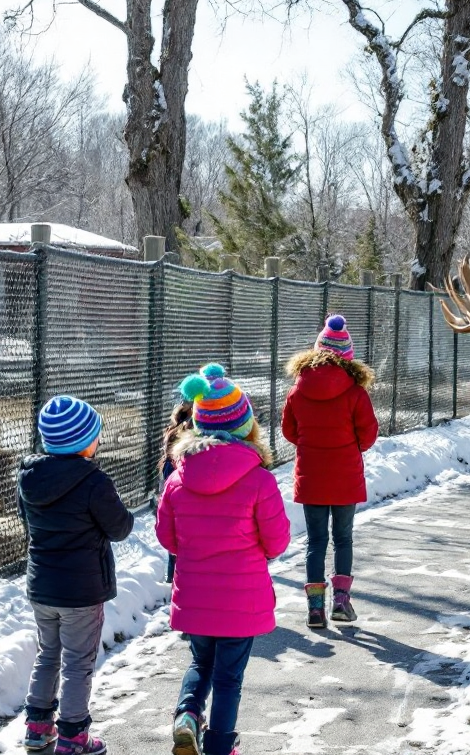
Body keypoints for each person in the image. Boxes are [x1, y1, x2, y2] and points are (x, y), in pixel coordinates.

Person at [157, 364, 291, 755]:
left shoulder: (177, 479)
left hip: (196, 593)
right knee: (229, 677)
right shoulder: (259, 479)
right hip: (241, 598)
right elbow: (278, 540)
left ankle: (186, 715)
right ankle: (219, 747)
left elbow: (168, 537)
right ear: (245, 425)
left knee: (200, 664)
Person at [19, 395, 135, 755]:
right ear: (85, 440)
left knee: (48, 654)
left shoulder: (29, 477)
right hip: (81, 591)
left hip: (41, 585)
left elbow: (27, 523)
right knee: (77, 663)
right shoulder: (94, 482)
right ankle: (73, 735)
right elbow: (119, 528)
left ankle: (37, 728)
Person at [282, 314, 379, 629]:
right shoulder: (355, 393)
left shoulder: (298, 391)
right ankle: (340, 602)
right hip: (345, 476)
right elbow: (368, 434)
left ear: (316, 350)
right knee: (343, 538)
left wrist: (310, 445)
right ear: (348, 356)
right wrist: (350, 447)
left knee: (316, 541)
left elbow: (289, 430)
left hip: (311, 475)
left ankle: (314, 609)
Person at [160, 399, 195, 583]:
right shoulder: (189, 435)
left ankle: (170, 578)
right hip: (184, 490)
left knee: (174, 536)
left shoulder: (170, 433)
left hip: (171, 489)